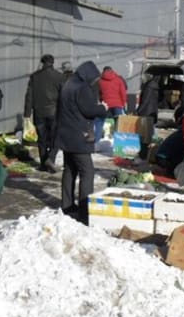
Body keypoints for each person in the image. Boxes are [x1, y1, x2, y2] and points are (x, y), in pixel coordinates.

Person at [56, 61, 108, 225]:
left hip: (66, 135)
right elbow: (89, 110)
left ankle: (67, 205)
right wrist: (102, 108)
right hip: (79, 136)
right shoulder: (82, 88)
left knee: (70, 169)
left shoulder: (68, 84)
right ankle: (85, 211)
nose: (94, 82)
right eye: (94, 78)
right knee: (88, 172)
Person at [24, 54, 65, 172]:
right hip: (54, 112)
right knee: (55, 138)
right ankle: (51, 159)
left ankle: (43, 163)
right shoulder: (60, 77)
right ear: (53, 63)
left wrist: (27, 113)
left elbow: (29, 96)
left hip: (39, 112)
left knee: (41, 139)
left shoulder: (34, 77)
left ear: (42, 63)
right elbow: (63, 96)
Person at [97, 66, 127, 137]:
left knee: (102, 122)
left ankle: (102, 137)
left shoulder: (100, 81)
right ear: (112, 71)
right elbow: (123, 92)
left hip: (105, 105)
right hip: (117, 105)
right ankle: (118, 139)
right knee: (118, 123)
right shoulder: (119, 80)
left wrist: (101, 101)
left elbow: (99, 93)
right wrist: (123, 103)